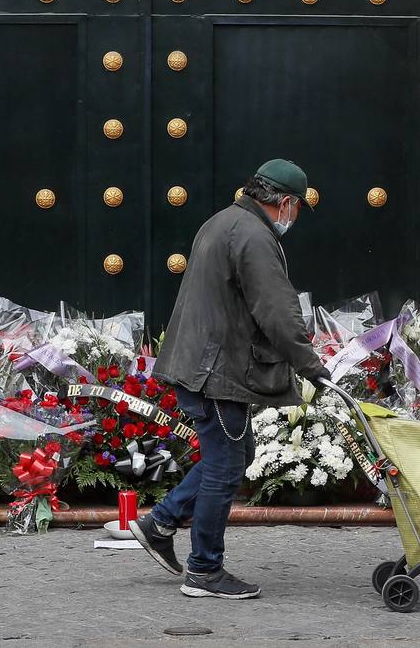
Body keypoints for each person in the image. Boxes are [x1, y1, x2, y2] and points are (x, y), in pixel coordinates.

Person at [129, 159, 332, 599]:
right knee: (225, 465)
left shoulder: (225, 220)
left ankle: (160, 522)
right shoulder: (255, 236)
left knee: (235, 454)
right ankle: (204, 570)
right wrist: (312, 365)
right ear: (286, 202)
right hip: (217, 370)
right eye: (294, 208)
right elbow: (278, 311)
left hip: (202, 363)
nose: (292, 217)